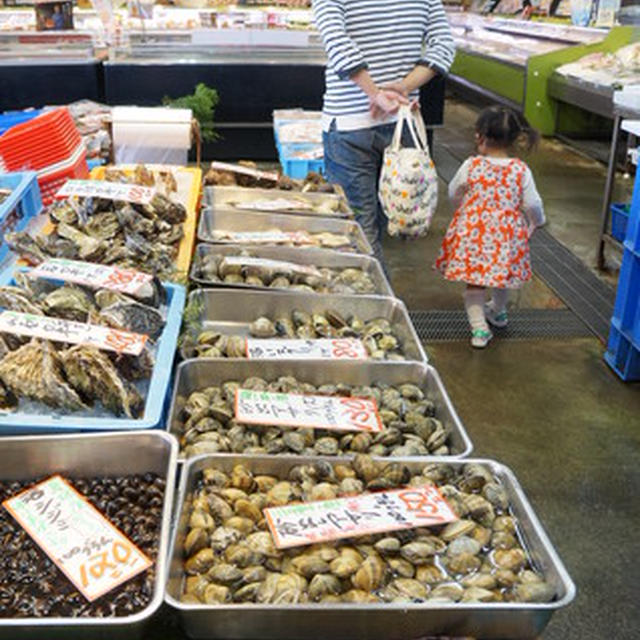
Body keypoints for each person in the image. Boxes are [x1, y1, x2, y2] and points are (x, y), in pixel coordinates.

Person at [313, 0, 455, 268]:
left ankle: (376, 306)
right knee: (387, 220)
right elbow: (444, 46)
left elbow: (337, 42)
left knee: (357, 230)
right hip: (403, 123)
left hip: (348, 126)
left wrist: (376, 94)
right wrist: (403, 87)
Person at [435, 106, 545, 348]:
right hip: (507, 235)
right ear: (516, 138)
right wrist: (536, 222)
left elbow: (454, 191)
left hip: (474, 232)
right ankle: (498, 310)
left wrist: (463, 209)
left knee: (475, 281)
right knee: (501, 276)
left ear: (480, 135)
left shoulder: (471, 165)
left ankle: (479, 329)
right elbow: (533, 203)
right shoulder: (520, 170)